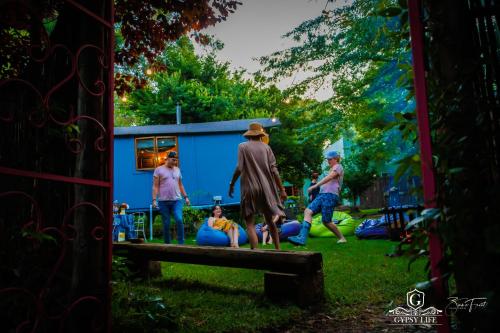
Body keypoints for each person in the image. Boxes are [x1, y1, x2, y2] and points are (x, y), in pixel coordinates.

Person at [228, 122, 287, 250]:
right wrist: (282, 190)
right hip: (266, 189)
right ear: (261, 134)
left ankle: (255, 254)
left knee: (249, 223)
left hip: (249, 188)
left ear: (249, 135)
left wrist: (232, 183)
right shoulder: (267, 148)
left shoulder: (242, 146)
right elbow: (274, 171)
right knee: (270, 221)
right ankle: (278, 250)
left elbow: (239, 168)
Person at [289, 151, 347, 246]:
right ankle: (302, 238)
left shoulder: (338, 167)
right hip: (322, 195)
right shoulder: (332, 169)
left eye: (330, 159)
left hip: (330, 196)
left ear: (336, 158)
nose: (328, 161)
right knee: (308, 211)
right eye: (327, 159)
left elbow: (330, 177)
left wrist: (315, 186)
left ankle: (342, 238)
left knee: (326, 221)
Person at [152, 151, 190, 244]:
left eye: (176, 160)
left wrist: (186, 197)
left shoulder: (177, 170)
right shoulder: (158, 170)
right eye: (173, 160)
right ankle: (167, 245)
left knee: (179, 219)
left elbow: (181, 185)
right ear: (167, 158)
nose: (175, 162)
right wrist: (154, 200)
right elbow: (155, 186)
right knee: (166, 223)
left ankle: (181, 243)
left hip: (176, 200)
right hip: (163, 201)